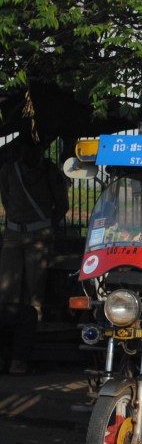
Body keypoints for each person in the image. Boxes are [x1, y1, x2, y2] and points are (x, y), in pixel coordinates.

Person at [0, 137, 69, 374]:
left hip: (38, 234)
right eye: (25, 148)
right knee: (7, 288)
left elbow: (62, 204)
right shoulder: (9, 170)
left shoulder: (49, 171)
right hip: (13, 232)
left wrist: (45, 224)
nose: (28, 152)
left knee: (34, 288)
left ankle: (30, 340)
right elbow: (6, 197)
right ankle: (8, 345)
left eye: (32, 148)